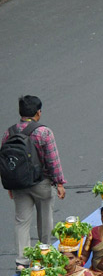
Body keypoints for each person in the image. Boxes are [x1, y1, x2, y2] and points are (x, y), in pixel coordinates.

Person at [6, 94, 67, 259]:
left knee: (21, 222)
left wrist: (10, 185)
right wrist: (59, 183)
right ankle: (44, 252)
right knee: (45, 218)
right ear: (38, 113)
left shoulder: (9, 132)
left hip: (19, 185)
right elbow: (53, 161)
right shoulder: (43, 132)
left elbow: (6, 161)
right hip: (42, 184)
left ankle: (21, 261)